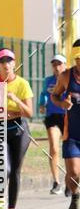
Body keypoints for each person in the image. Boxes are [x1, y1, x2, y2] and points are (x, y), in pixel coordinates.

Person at [0, 48, 33, 209]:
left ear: (14, 63)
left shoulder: (22, 84)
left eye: (9, 61)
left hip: (20, 130)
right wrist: (3, 112)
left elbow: (29, 113)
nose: (6, 64)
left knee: (15, 170)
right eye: (2, 61)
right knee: (3, 168)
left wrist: (16, 100)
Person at [50, 49, 80, 209]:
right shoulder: (66, 76)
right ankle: (75, 196)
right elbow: (54, 95)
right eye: (78, 59)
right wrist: (62, 104)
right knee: (74, 173)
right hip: (72, 134)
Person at [39, 53, 67, 194]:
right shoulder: (48, 80)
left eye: (59, 64)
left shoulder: (71, 79)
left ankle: (72, 179)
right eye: (54, 64)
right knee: (54, 148)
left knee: (70, 150)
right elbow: (44, 93)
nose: (56, 67)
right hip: (52, 116)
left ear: (65, 65)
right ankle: (56, 182)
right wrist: (42, 103)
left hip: (68, 117)